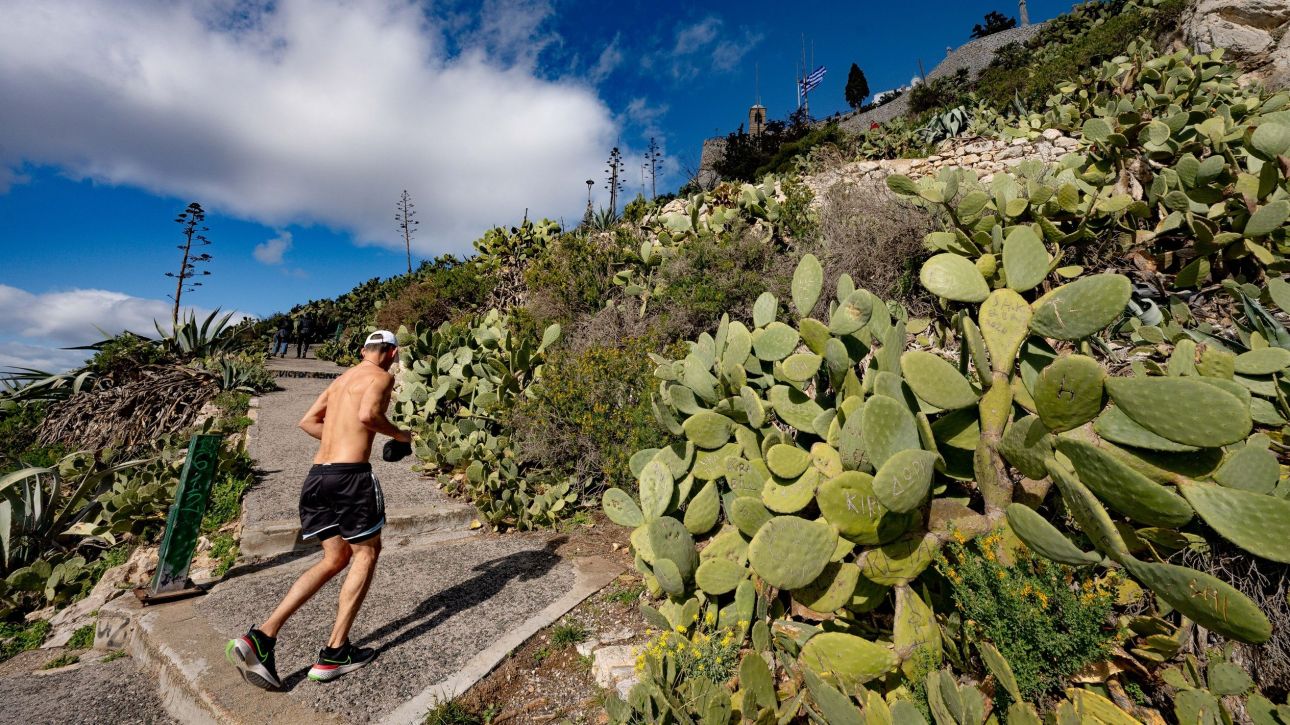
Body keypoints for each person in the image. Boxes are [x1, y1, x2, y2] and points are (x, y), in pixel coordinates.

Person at [226, 331, 413, 689]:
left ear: (363, 350)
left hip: (317, 478)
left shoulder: (341, 380)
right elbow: (369, 414)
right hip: (350, 478)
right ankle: (335, 652)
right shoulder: (380, 377)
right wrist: (400, 435)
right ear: (392, 353)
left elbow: (308, 422)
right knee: (366, 553)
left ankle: (261, 637)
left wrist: (339, 438)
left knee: (334, 558)